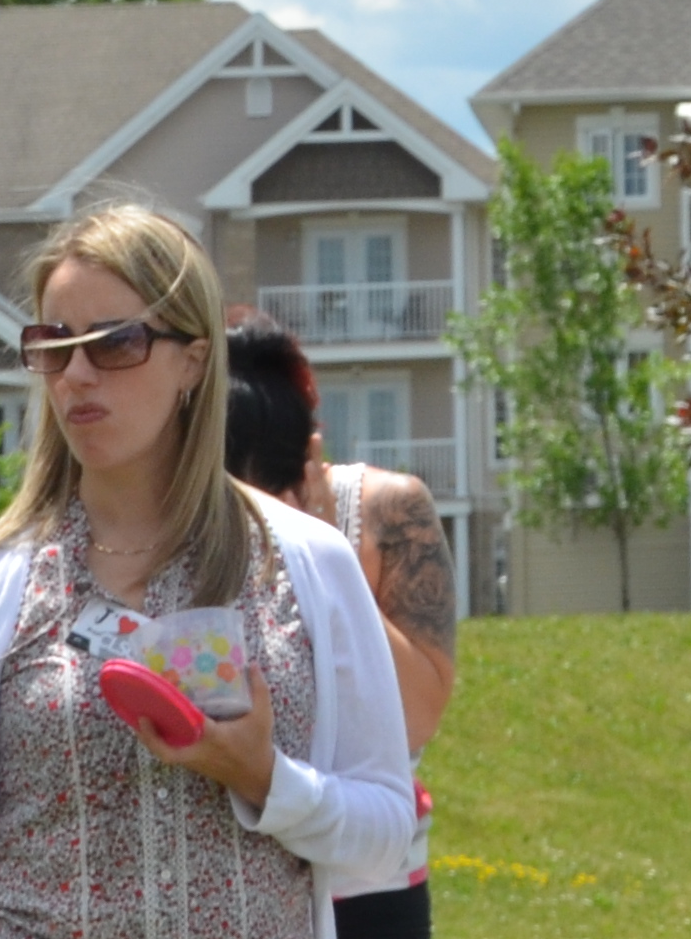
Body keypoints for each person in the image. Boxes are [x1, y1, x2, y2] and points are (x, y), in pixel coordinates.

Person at [0, 202, 420, 939]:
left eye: (115, 343)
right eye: (55, 346)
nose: (77, 374)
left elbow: (385, 837)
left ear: (194, 359)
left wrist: (264, 778)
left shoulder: (306, 563)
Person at [227, 312, 462, 935]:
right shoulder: (181, 525)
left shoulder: (386, 510)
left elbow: (419, 715)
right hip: (239, 876)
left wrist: (327, 556)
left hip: (371, 880)